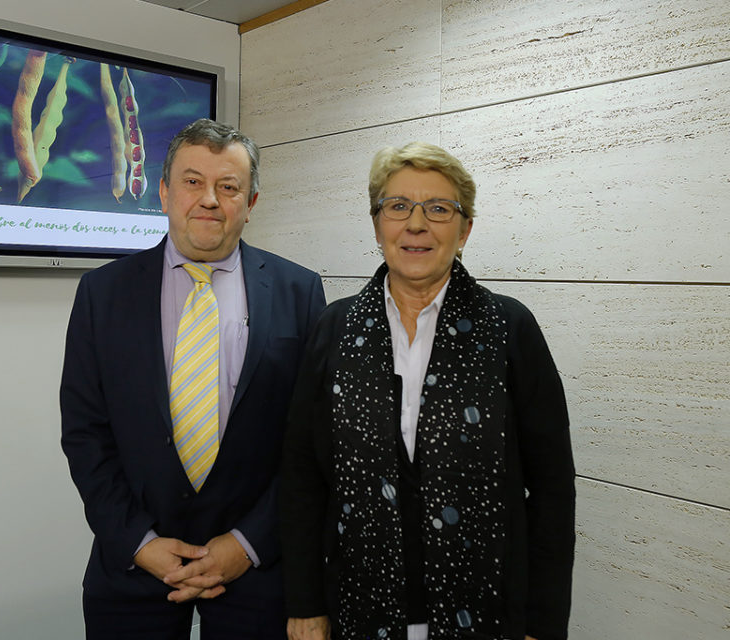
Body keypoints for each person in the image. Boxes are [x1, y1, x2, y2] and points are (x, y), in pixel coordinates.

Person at [280, 142, 575, 640]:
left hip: (484, 611)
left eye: (439, 209)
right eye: (398, 207)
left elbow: (551, 491)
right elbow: (302, 478)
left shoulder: (508, 328)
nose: (416, 224)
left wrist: (542, 623)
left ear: (465, 230)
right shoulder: (335, 328)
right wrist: (305, 604)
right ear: (378, 226)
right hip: (358, 607)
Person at [61, 118, 326, 639]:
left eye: (228, 187)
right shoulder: (102, 293)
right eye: (191, 181)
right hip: (134, 567)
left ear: (249, 203)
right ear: (162, 192)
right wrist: (139, 542)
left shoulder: (300, 291)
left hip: (258, 571)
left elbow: (311, 441)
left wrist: (248, 543)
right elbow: (86, 434)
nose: (209, 199)